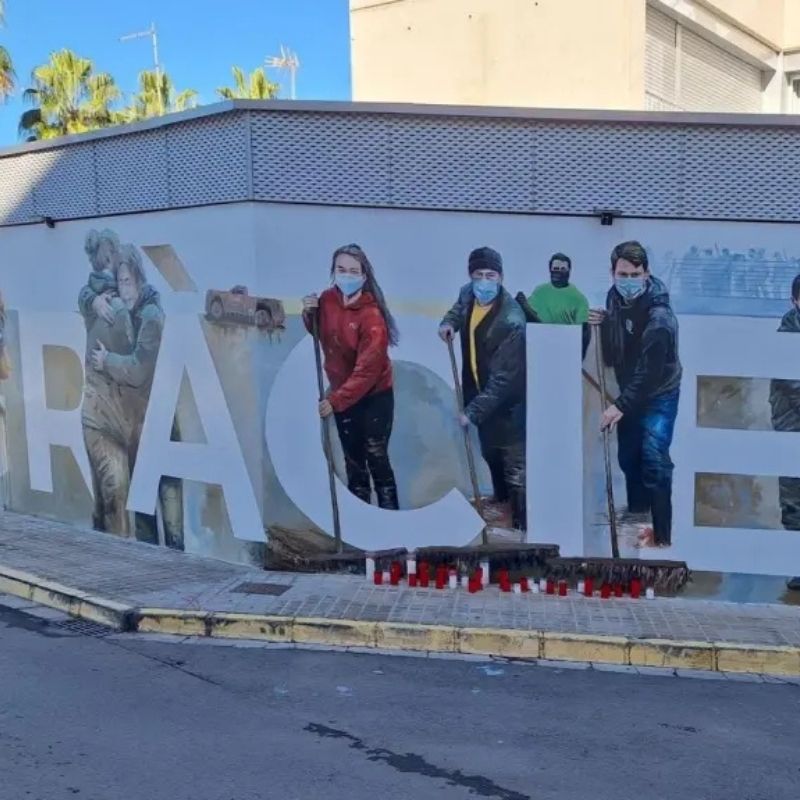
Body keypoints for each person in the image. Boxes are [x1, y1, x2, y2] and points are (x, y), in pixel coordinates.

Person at [82, 242, 184, 549]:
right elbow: (86, 289)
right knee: (143, 523)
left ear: (138, 279)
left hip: (161, 431)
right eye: (118, 283)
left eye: (127, 282)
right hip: (140, 433)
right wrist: (92, 298)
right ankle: (153, 576)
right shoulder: (129, 310)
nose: (122, 291)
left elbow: (140, 368)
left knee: (172, 524)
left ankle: (182, 580)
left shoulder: (151, 315)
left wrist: (107, 361)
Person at [589, 241, 681, 548]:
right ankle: (639, 515)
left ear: (647, 274)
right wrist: (602, 324)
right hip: (630, 389)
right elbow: (617, 348)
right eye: (622, 273)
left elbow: (649, 373)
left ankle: (662, 535)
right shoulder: (613, 298)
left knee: (654, 459)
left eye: (635, 274)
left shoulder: (661, 320)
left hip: (659, 392)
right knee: (628, 456)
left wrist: (619, 406)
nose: (628, 280)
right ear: (613, 272)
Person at [302, 244, 400, 510]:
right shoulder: (328, 300)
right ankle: (362, 524)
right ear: (334, 272)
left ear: (364, 275)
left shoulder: (372, 317)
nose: (347, 275)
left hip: (374, 396)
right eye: (341, 269)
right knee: (353, 462)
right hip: (342, 394)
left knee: (376, 457)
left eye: (353, 271)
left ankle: (391, 521)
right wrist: (309, 313)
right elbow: (320, 333)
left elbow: (367, 371)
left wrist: (335, 400)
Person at [439, 247, 527, 532]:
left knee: (513, 464)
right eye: (479, 274)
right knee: (490, 452)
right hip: (478, 391)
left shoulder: (512, 320)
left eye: (491, 275)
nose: (484, 281)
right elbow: (457, 309)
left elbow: (504, 380)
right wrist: (448, 323)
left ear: (501, 277)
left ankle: (522, 526)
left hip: (508, 402)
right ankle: (501, 504)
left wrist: (472, 412)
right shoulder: (468, 294)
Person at [769, 273, 800, 591]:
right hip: (793, 428)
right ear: (795, 300)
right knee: (794, 499)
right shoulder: (788, 330)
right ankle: (797, 565)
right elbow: (792, 383)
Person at [528, 252, 591, 357]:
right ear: (550, 269)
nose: (559, 272)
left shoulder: (579, 299)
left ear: (569, 271)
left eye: (563, 269)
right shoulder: (539, 292)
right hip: (539, 347)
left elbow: (583, 332)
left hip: (567, 350)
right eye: (555, 269)